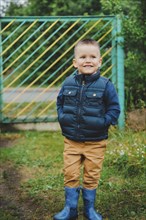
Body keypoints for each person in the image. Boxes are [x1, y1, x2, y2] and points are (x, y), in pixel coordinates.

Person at [53, 39, 120, 220]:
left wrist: (104, 122)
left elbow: (114, 108)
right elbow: (60, 102)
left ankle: (89, 210)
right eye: (83, 57)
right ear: (75, 62)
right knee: (70, 173)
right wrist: (62, 117)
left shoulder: (106, 85)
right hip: (72, 140)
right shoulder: (68, 82)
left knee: (91, 175)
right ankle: (70, 209)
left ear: (99, 61)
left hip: (95, 142)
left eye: (92, 56)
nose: (87, 60)